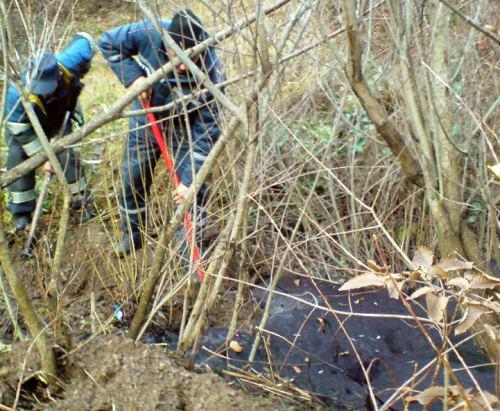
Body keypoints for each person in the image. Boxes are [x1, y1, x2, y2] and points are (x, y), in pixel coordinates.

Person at [98, 9, 224, 257]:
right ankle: (132, 235)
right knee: (132, 177)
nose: (180, 66)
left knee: (192, 190)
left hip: (184, 127)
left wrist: (189, 180)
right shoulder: (148, 32)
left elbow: (207, 131)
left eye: (187, 59)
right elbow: (108, 43)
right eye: (173, 57)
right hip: (147, 117)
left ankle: (188, 248)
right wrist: (133, 78)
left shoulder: (213, 71)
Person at [4, 33, 97, 231]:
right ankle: (22, 214)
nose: (44, 91)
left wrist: (85, 69)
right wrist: (44, 158)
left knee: (64, 151)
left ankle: (81, 201)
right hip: (27, 128)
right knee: (17, 157)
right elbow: (20, 131)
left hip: (58, 116)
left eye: (47, 87)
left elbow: (86, 40)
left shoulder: (70, 62)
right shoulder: (15, 95)